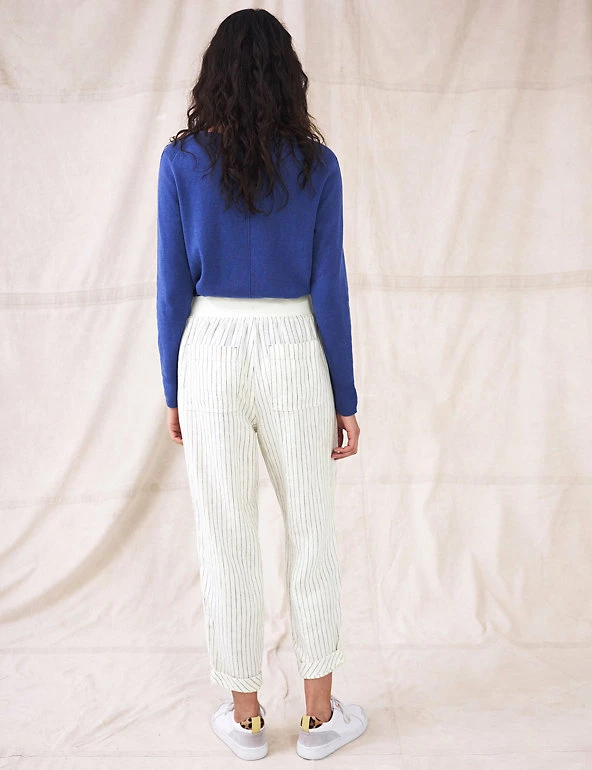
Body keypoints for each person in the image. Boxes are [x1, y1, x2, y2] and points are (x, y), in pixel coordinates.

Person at [156, 8, 366, 761]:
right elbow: (330, 289)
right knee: (311, 529)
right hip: (293, 346)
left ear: (214, 74)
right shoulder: (318, 166)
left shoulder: (181, 162)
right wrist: (345, 399)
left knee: (226, 533)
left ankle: (245, 720)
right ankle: (319, 717)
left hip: (209, 348)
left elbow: (171, 288)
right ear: (288, 77)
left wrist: (173, 388)